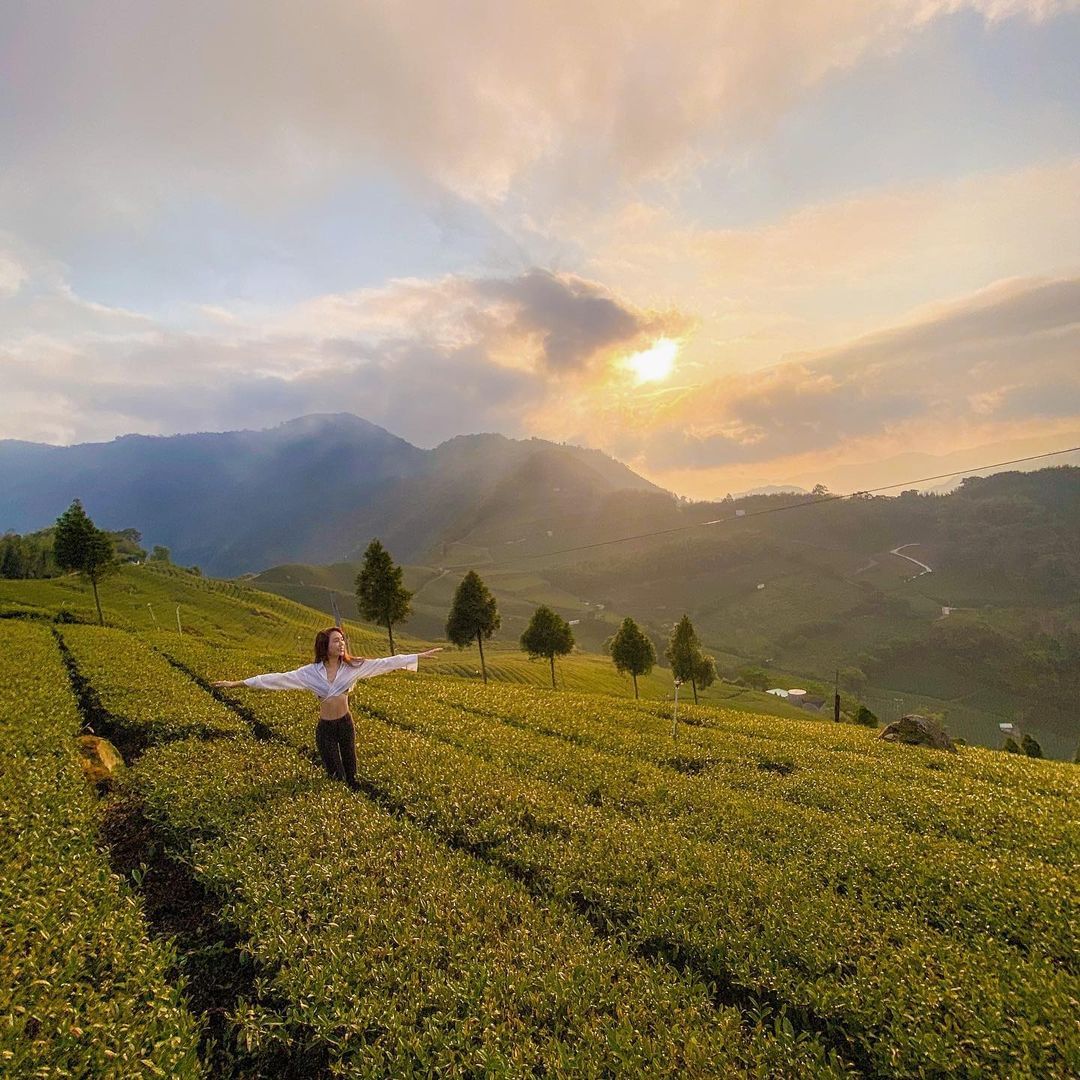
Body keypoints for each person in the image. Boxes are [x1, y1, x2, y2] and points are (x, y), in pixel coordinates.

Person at [212, 626, 441, 790]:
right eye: (336, 641)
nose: (341, 644)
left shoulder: (353, 667)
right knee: (335, 775)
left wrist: (417, 656)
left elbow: (384, 663)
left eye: (342, 640)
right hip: (326, 730)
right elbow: (277, 679)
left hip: (345, 724)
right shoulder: (310, 673)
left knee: (352, 775)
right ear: (325, 646)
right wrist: (238, 683)